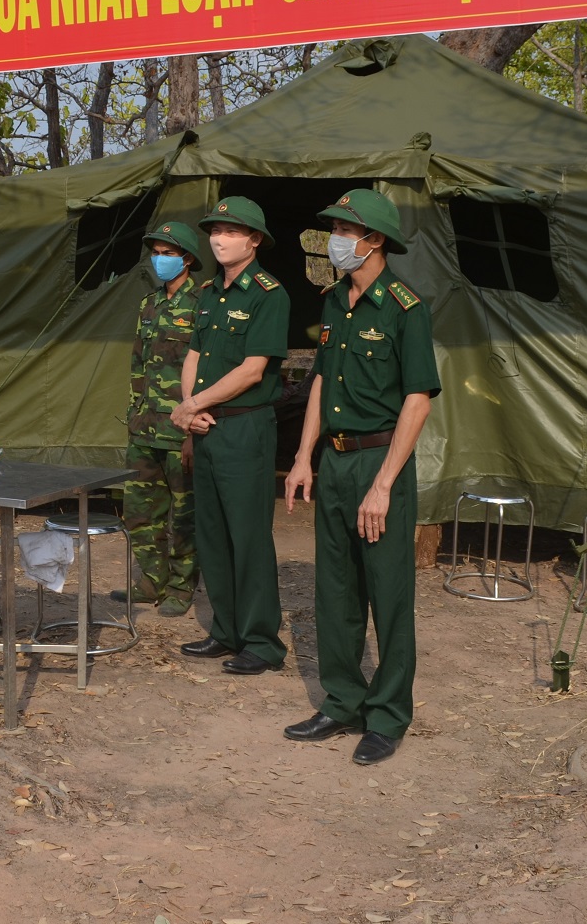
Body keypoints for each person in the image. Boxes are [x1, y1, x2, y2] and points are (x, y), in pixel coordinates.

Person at [283, 189, 439, 766]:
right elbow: (321, 382)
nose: (335, 241)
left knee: (389, 594)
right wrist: (304, 456)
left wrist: (383, 485)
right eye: (333, 229)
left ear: (374, 240)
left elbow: (418, 401)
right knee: (337, 589)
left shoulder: (404, 307)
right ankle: (342, 700)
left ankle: (388, 716)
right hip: (337, 460)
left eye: (345, 230)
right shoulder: (333, 303)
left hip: (380, 462)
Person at [169, 196, 290, 676]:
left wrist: (194, 405)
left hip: (244, 427)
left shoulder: (268, 293)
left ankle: (262, 642)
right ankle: (227, 630)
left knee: (249, 537)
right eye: (215, 230)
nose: (219, 239)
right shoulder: (209, 292)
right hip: (208, 428)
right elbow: (194, 356)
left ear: (254, 240)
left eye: (232, 231)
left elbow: (253, 370)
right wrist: (191, 412)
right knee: (213, 534)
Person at [121, 221, 202, 617]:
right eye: (156, 252)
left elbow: (207, 371)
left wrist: (193, 428)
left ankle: (181, 586)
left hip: (180, 429)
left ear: (187, 259)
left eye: (168, 254)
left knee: (185, 514)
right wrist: (136, 411)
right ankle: (150, 581)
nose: (160, 259)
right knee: (139, 510)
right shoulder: (148, 304)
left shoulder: (203, 303)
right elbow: (138, 362)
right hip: (144, 427)